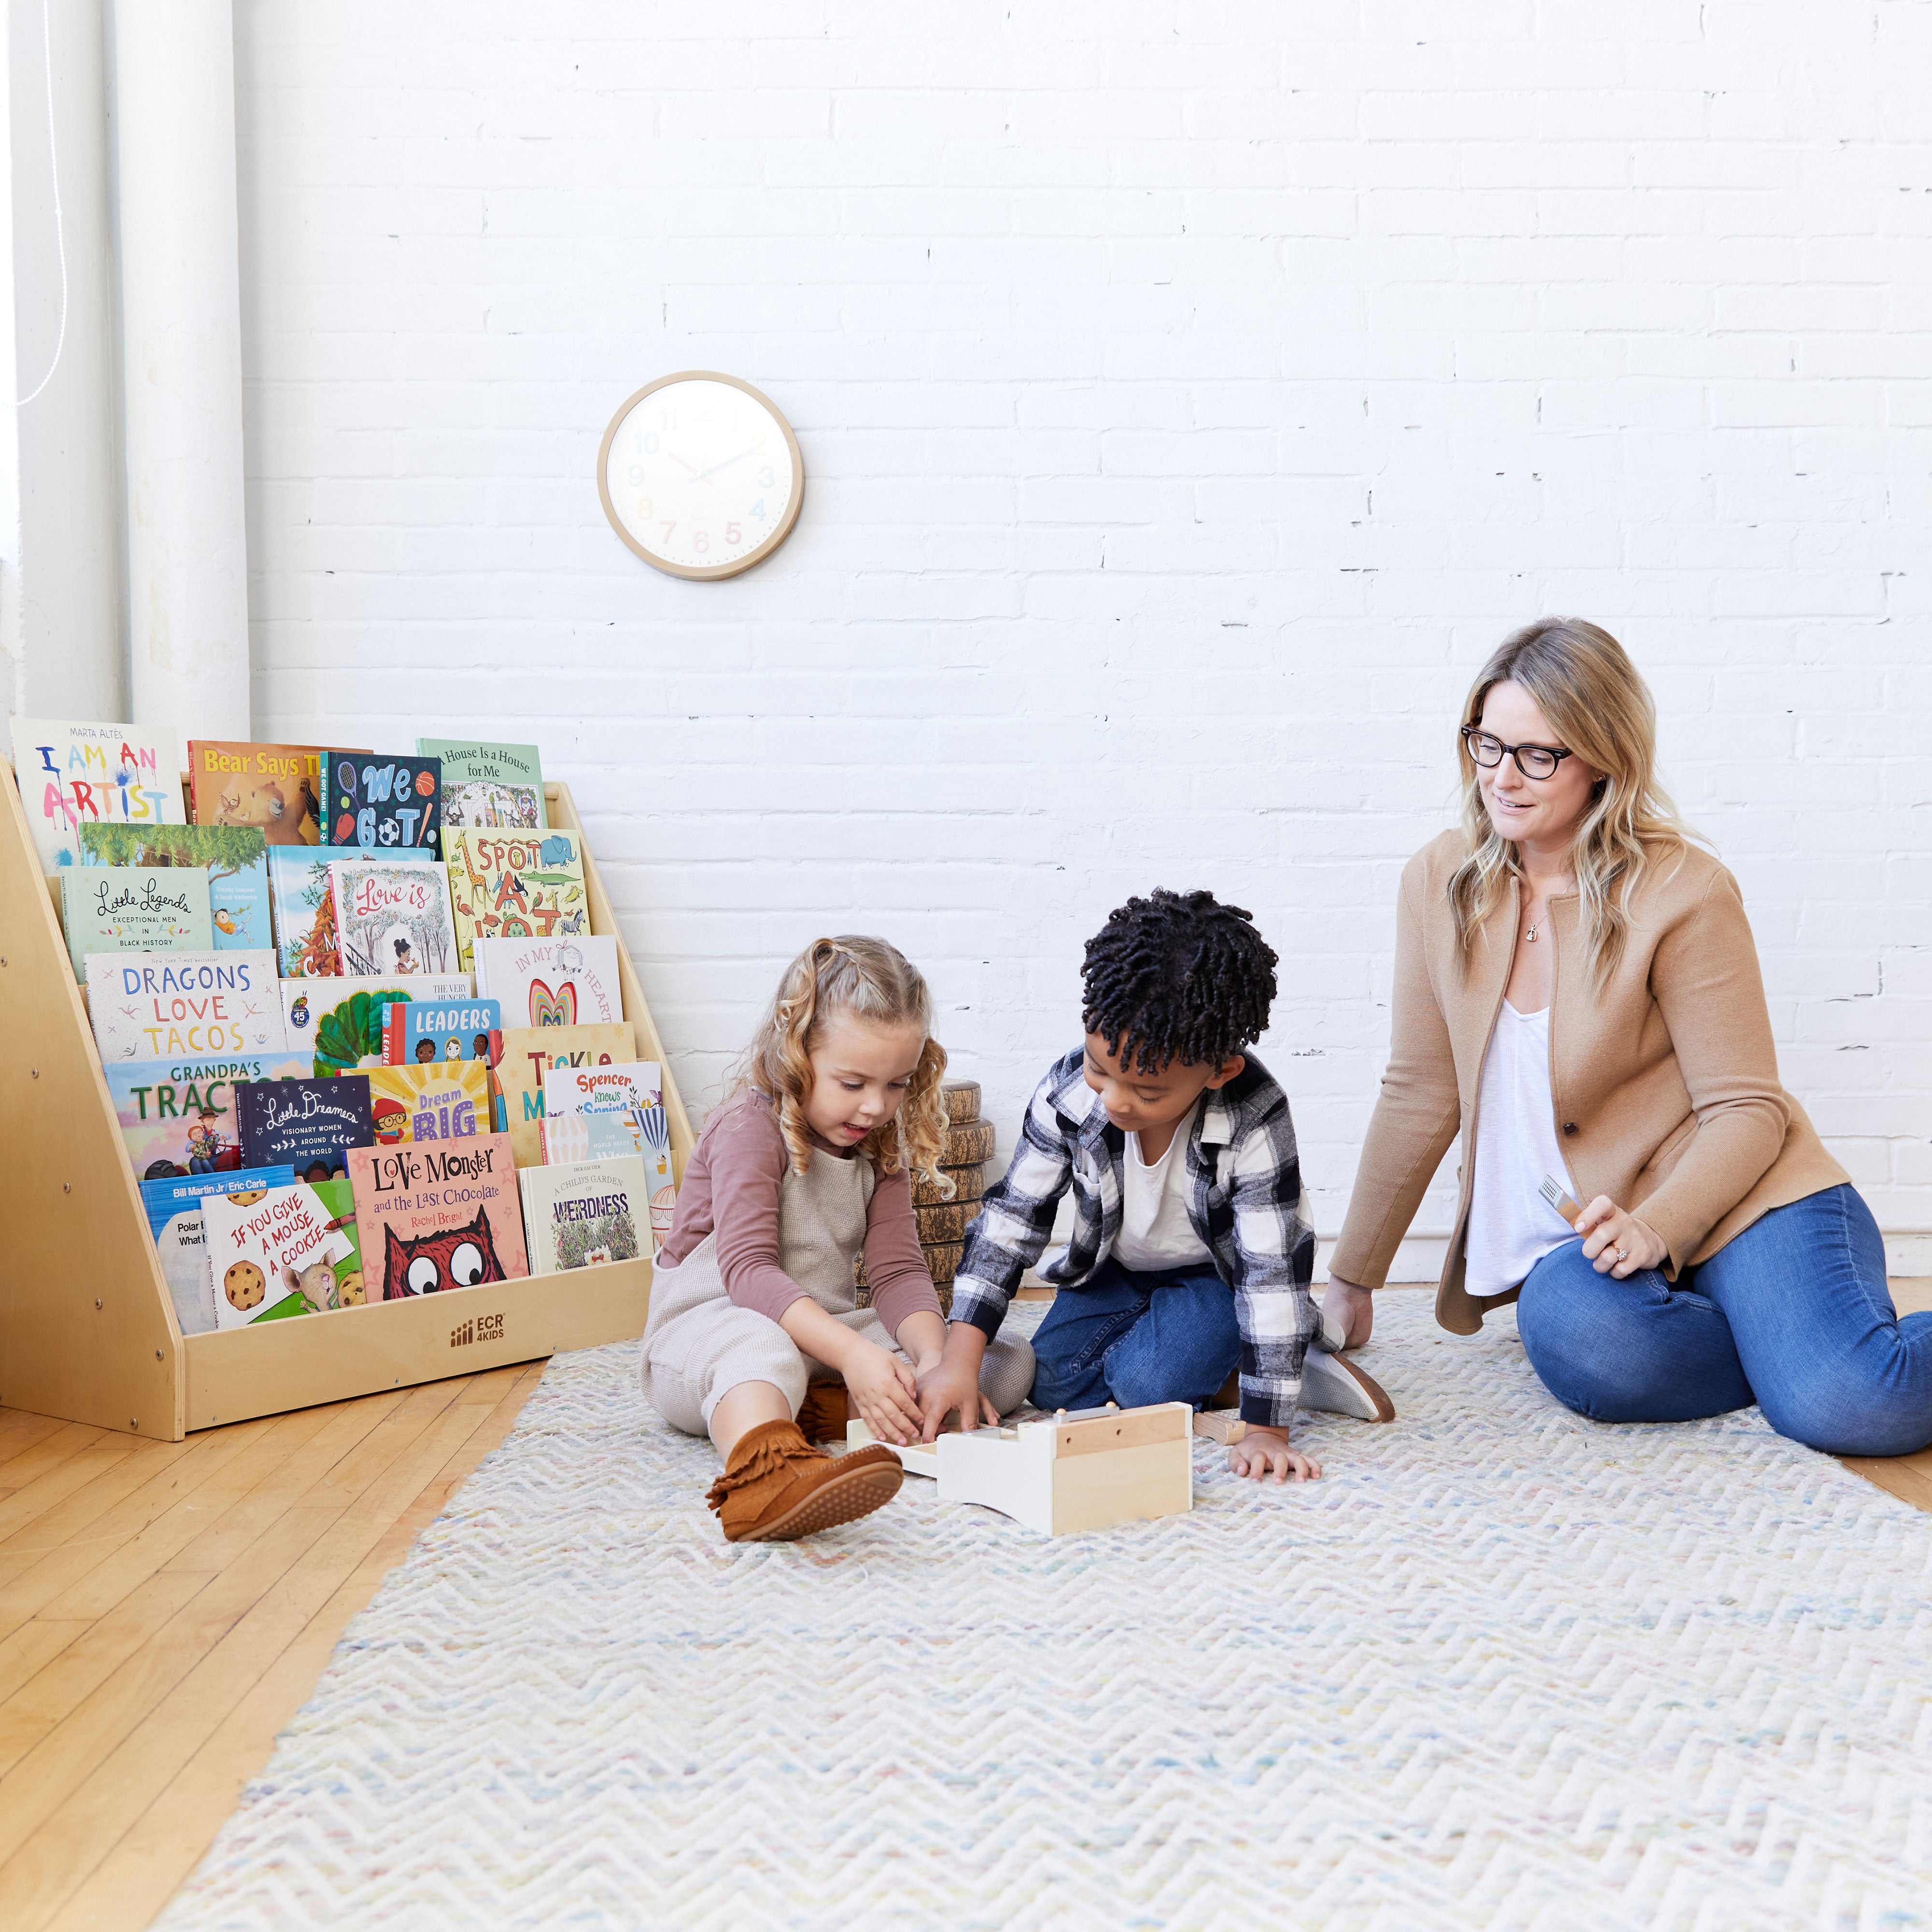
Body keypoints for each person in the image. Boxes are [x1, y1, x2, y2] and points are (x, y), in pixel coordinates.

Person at [1324, 617, 1932, 1457]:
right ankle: (1790, 1346)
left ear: (1604, 759)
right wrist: (1354, 1276)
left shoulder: (1683, 889)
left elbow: (1747, 1109)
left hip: (1753, 1201)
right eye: (1488, 744)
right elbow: (1420, 1088)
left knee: (1855, 1407)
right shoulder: (1440, 882)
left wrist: (1659, 1227)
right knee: (1572, 1327)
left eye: (1540, 754)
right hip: (1599, 1250)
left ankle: (1818, 1359)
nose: (1503, 776)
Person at [923, 889, 1394, 1488]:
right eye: (1100, 1068)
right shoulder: (1070, 1095)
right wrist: (958, 1361)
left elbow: (1268, 1272)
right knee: (1050, 1382)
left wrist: (1265, 1432)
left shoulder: (1254, 1116)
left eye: (1147, 1093)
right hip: (1118, 1272)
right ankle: (1224, 1372)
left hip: (1221, 1279)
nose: (1114, 1099)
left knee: (1149, 1385)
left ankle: (1285, 1359)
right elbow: (1011, 1222)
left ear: (1220, 1070)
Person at [640, 935, 1035, 1542]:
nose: (876, 1106)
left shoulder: (877, 1146)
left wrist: (933, 1364)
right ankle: (761, 1476)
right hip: (710, 1331)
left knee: (998, 1361)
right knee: (759, 1346)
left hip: (815, 1331)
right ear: (797, 1054)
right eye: (853, 1083)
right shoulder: (750, 1128)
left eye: (897, 1084)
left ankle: (812, 1411)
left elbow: (900, 1273)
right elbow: (747, 1271)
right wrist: (855, 1358)